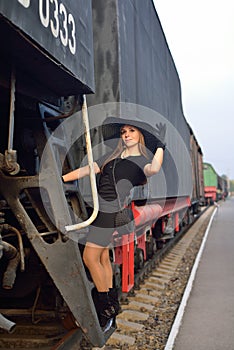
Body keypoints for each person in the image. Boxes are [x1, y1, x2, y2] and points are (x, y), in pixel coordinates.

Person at [62, 117, 165, 330]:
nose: (126, 134)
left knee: (90, 257)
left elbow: (154, 169)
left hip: (110, 213)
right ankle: (113, 306)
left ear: (140, 137)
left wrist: (160, 146)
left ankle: (105, 308)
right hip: (100, 211)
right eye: (124, 132)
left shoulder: (140, 163)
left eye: (132, 131)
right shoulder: (113, 157)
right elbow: (89, 169)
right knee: (102, 258)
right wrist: (60, 179)